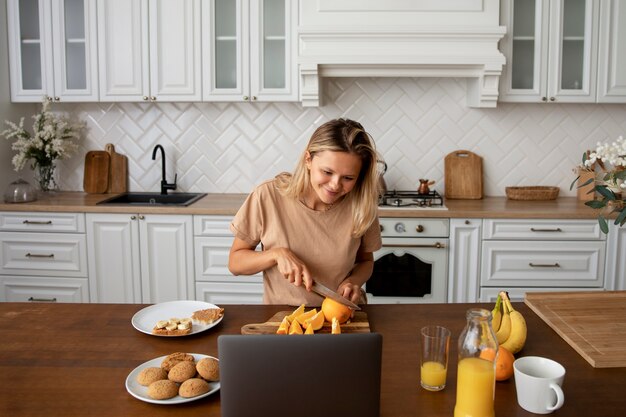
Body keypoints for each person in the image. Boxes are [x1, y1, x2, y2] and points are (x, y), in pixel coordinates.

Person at [228, 118, 382, 306]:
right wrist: (276, 254)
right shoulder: (268, 196)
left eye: (348, 177)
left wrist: (353, 281)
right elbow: (235, 263)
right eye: (327, 172)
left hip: (343, 315)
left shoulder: (362, 204)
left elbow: (366, 262)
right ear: (308, 160)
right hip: (283, 318)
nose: (335, 185)